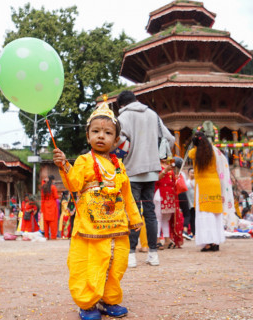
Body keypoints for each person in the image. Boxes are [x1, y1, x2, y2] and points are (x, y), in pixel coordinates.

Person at [53, 101, 143, 320]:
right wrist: (64, 165)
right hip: (90, 227)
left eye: (107, 132)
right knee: (90, 263)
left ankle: (109, 299)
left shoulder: (119, 165)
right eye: (96, 131)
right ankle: (87, 302)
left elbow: (127, 192)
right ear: (88, 136)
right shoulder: (84, 161)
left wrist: (134, 217)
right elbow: (74, 185)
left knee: (117, 263)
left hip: (118, 225)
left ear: (115, 139)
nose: (101, 136)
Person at [115, 90, 175, 268]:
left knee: (132, 213)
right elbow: (169, 139)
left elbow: (117, 141)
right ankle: (153, 254)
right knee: (150, 213)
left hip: (132, 170)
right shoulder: (152, 114)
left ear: (122, 105)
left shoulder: (124, 117)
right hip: (151, 171)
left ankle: (131, 255)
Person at [188, 128, 234, 252]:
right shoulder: (214, 152)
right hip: (215, 184)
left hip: (203, 186)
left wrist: (195, 145)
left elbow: (189, 154)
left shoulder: (194, 153)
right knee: (215, 214)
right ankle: (216, 241)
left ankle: (208, 243)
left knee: (204, 215)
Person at [41, 175, 60, 240]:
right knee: (53, 222)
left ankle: (46, 236)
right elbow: (56, 196)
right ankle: (53, 236)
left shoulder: (43, 187)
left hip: (45, 204)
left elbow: (42, 198)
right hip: (52, 204)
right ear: (52, 180)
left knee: (46, 222)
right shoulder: (53, 187)